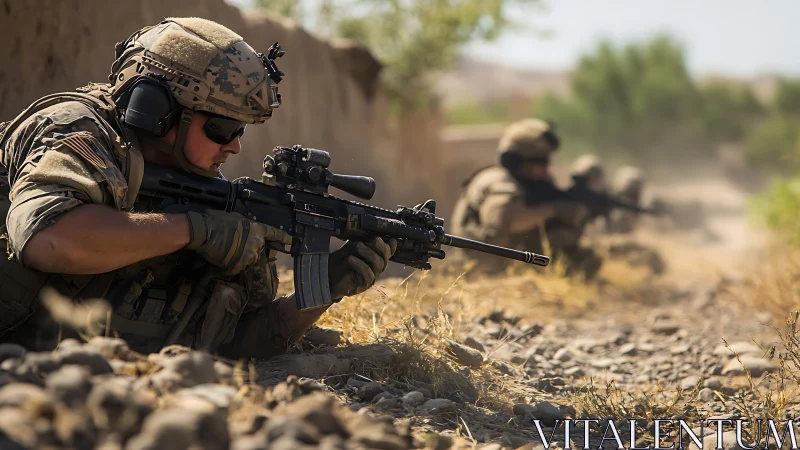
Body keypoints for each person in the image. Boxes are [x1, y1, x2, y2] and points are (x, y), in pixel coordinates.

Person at [0, 18, 395, 357]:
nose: (235, 145)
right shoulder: (79, 131)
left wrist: (319, 293)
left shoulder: (207, 192)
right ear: (155, 108)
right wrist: (191, 230)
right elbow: (47, 240)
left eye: (239, 130)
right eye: (221, 128)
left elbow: (234, 345)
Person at [450, 118, 601, 279]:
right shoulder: (498, 180)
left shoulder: (534, 183)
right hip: (479, 265)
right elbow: (502, 221)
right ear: (516, 160)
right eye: (540, 161)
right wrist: (554, 209)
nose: (546, 167)